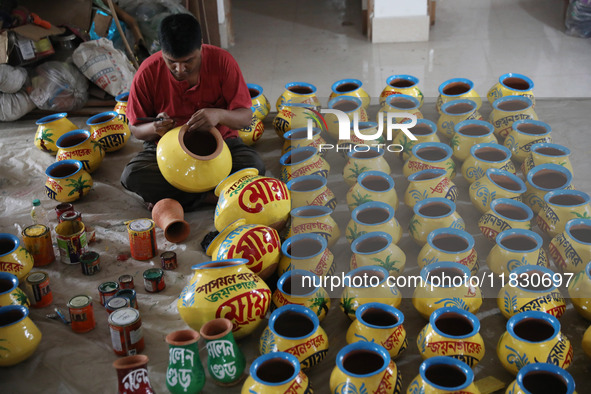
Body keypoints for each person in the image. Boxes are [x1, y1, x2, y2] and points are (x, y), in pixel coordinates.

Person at [120, 13, 265, 211]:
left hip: (221, 146)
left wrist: (219, 115)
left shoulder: (222, 62)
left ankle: (177, 198)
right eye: (171, 61)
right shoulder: (147, 72)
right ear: (161, 51)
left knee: (254, 168)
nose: (180, 69)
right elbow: (135, 128)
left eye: (188, 60)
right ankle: (211, 198)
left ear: (202, 46)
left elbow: (245, 118)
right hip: (166, 150)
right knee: (132, 175)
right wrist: (155, 127)